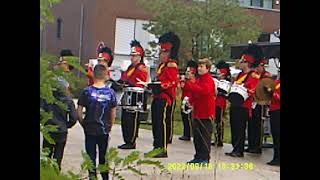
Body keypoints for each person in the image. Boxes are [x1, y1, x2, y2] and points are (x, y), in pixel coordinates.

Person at [77, 64, 117, 180]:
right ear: (106, 76)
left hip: (89, 128)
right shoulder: (110, 93)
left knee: (91, 157)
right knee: (103, 156)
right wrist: (110, 125)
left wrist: (82, 122)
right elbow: (113, 112)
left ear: (93, 75)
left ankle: (92, 177)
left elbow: (79, 110)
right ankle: (105, 177)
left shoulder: (87, 92)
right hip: (103, 129)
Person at [146, 32, 179, 158]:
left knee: (161, 124)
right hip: (158, 96)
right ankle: (156, 147)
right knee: (155, 124)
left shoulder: (171, 65)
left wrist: (161, 85)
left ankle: (163, 148)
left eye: (163, 53)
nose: (161, 55)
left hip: (165, 97)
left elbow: (172, 82)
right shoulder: (162, 66)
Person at [225, 44, 261, 157]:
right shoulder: (240, 74)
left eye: (242, 61)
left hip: (244, 105)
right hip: (235, 103)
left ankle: (239, 150)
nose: (240, 63)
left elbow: (253, 89)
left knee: (240, 127)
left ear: (247, 62)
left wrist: (246, 89)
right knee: (234, 126)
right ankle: (235, 147)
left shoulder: (253, 75)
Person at [118, 40, 148, 149]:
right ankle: (126, 140)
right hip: (127, 96)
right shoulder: (130, 67)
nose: (132, 58)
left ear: (140, 57)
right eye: (131, 56)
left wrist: (129, 83)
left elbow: (141, 83)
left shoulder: (141, 68)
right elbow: (124, 78)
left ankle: (131, 141)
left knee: (132, 120)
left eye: (134, 56)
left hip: (135, 98)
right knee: (125, 119)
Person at [185, 58, 215, 164]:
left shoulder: (208, 80)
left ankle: (205, 157)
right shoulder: (199, 79)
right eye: (199, 66)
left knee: (204, 136)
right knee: (197, 136)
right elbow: (195, 93)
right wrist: (190, 101)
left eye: (202, 67)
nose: (199, 68)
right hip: (197, 111)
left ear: (207, 68)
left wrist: (189, 84)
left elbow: (203, 91)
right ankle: (198, 156)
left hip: (206, 112)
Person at [40, 86, 78, 171]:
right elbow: (74, 118)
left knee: (46, 155)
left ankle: (45, 173)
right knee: (58, 156)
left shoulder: (45, 98)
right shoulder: (68, 100)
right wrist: (67, 125)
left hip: (49, 129)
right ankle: (56, 173)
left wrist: (44, 123)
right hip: (61, 131)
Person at [246, 58, 272, 154]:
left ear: (262, 66)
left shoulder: (266, 75)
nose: (256, 69)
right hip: (252, 101)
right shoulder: (254, 74)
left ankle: (257, 146)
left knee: (258, 124)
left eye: (258, 67)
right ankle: (251, 144)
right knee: (251, 123)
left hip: (261, 102)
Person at [211, 60, 231, 147]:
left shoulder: (226, 81)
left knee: (219, 121)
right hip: (215, 101)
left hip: (220, 102)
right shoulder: (218, 80)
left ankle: (219, 139)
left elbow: (224, 92)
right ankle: (216, 138)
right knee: (215, 121)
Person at [179, 60, 198, 141]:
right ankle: (186, 133)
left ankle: (189, 134)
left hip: (189, 100)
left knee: (189, 118)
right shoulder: (187, 81)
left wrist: (184, 80)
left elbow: (186, 87)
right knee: (185, 118)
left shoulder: (193, 81)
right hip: (184, 99)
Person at [267, 74, 280, 166]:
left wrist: (271, 93)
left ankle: (278, 158)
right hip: (273, 110)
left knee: (278, 135)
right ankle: (276, 157)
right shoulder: (277, 82)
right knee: (275, 135)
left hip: (278, 110)